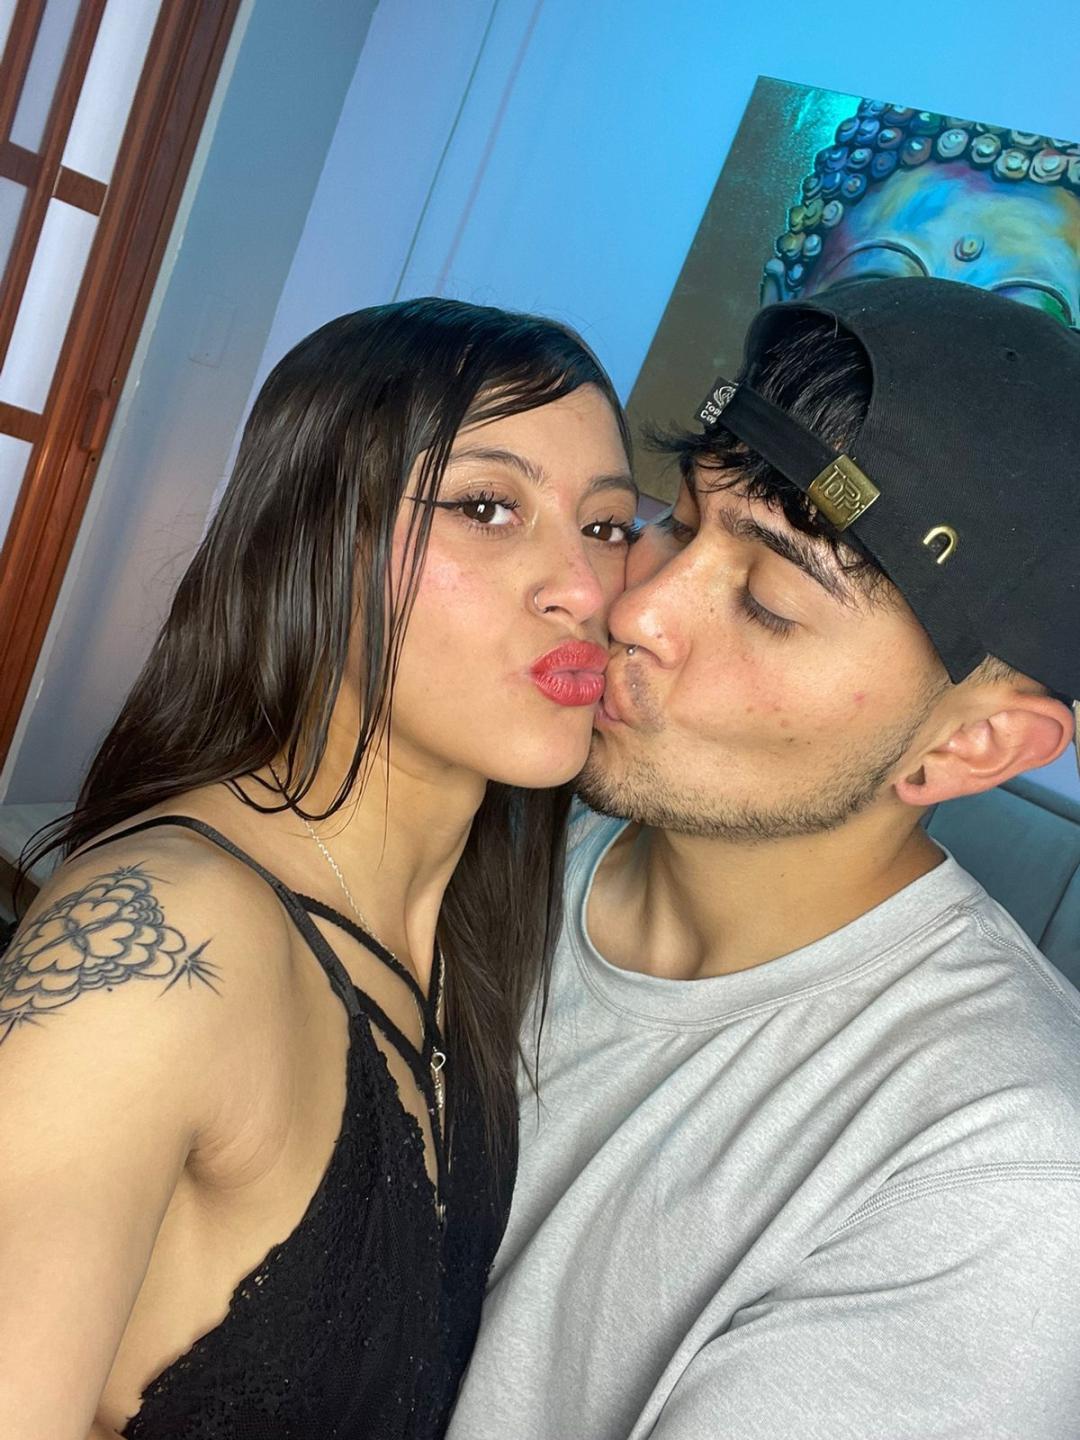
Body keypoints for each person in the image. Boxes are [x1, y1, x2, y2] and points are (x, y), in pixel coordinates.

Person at [448, 276, 1080, 1439]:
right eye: (678, 521)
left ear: (971, 744)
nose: (634, 611)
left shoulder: (1001, 1171)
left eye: (773, 600)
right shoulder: (484, 833)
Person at [0, 297, 638, 1439]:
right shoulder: (165, 950)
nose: (585, 588)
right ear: (312, 536)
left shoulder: (478, 935)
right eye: (488, 508)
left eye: (608, 525)